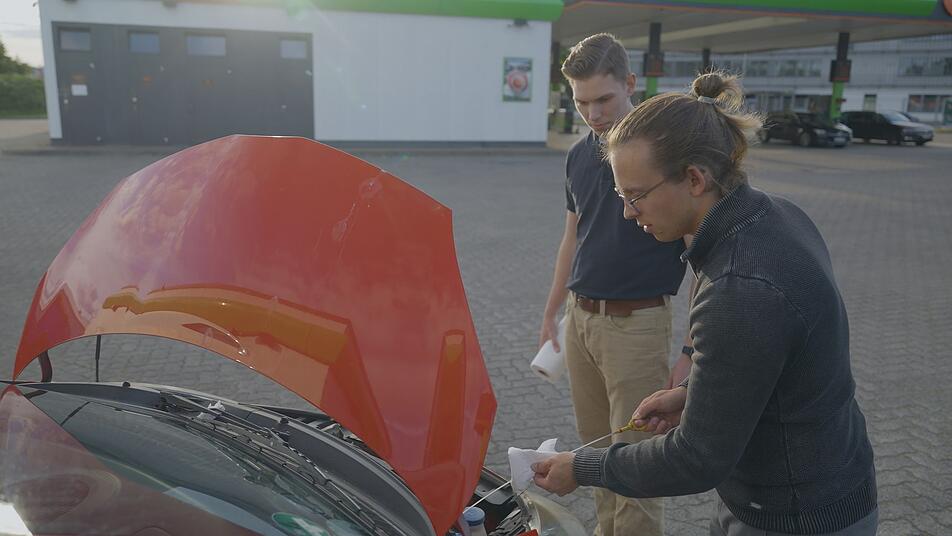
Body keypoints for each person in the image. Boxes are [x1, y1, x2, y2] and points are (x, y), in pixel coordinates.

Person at [532, 71, 878, 535]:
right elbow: (773, 363)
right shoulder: (775, 214)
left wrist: (582, 467)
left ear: (695, 179)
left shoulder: (740, 288)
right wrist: (694, 394)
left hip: (795, 513)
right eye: (621, 195)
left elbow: (696, 458)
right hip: (813, 487)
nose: (628, 212)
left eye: (635, 196)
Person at [538, 33, 691, 536]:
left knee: (638, 466)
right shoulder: (578, 156)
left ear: (630, 83)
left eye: (603, 99)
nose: (593, 114)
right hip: (580, 320)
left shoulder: (665, 152)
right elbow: (572, 236)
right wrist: (552, 311)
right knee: (594, 457)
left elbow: (705, 254)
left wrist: (691, 350)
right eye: (581, 103)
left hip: (637, 325)